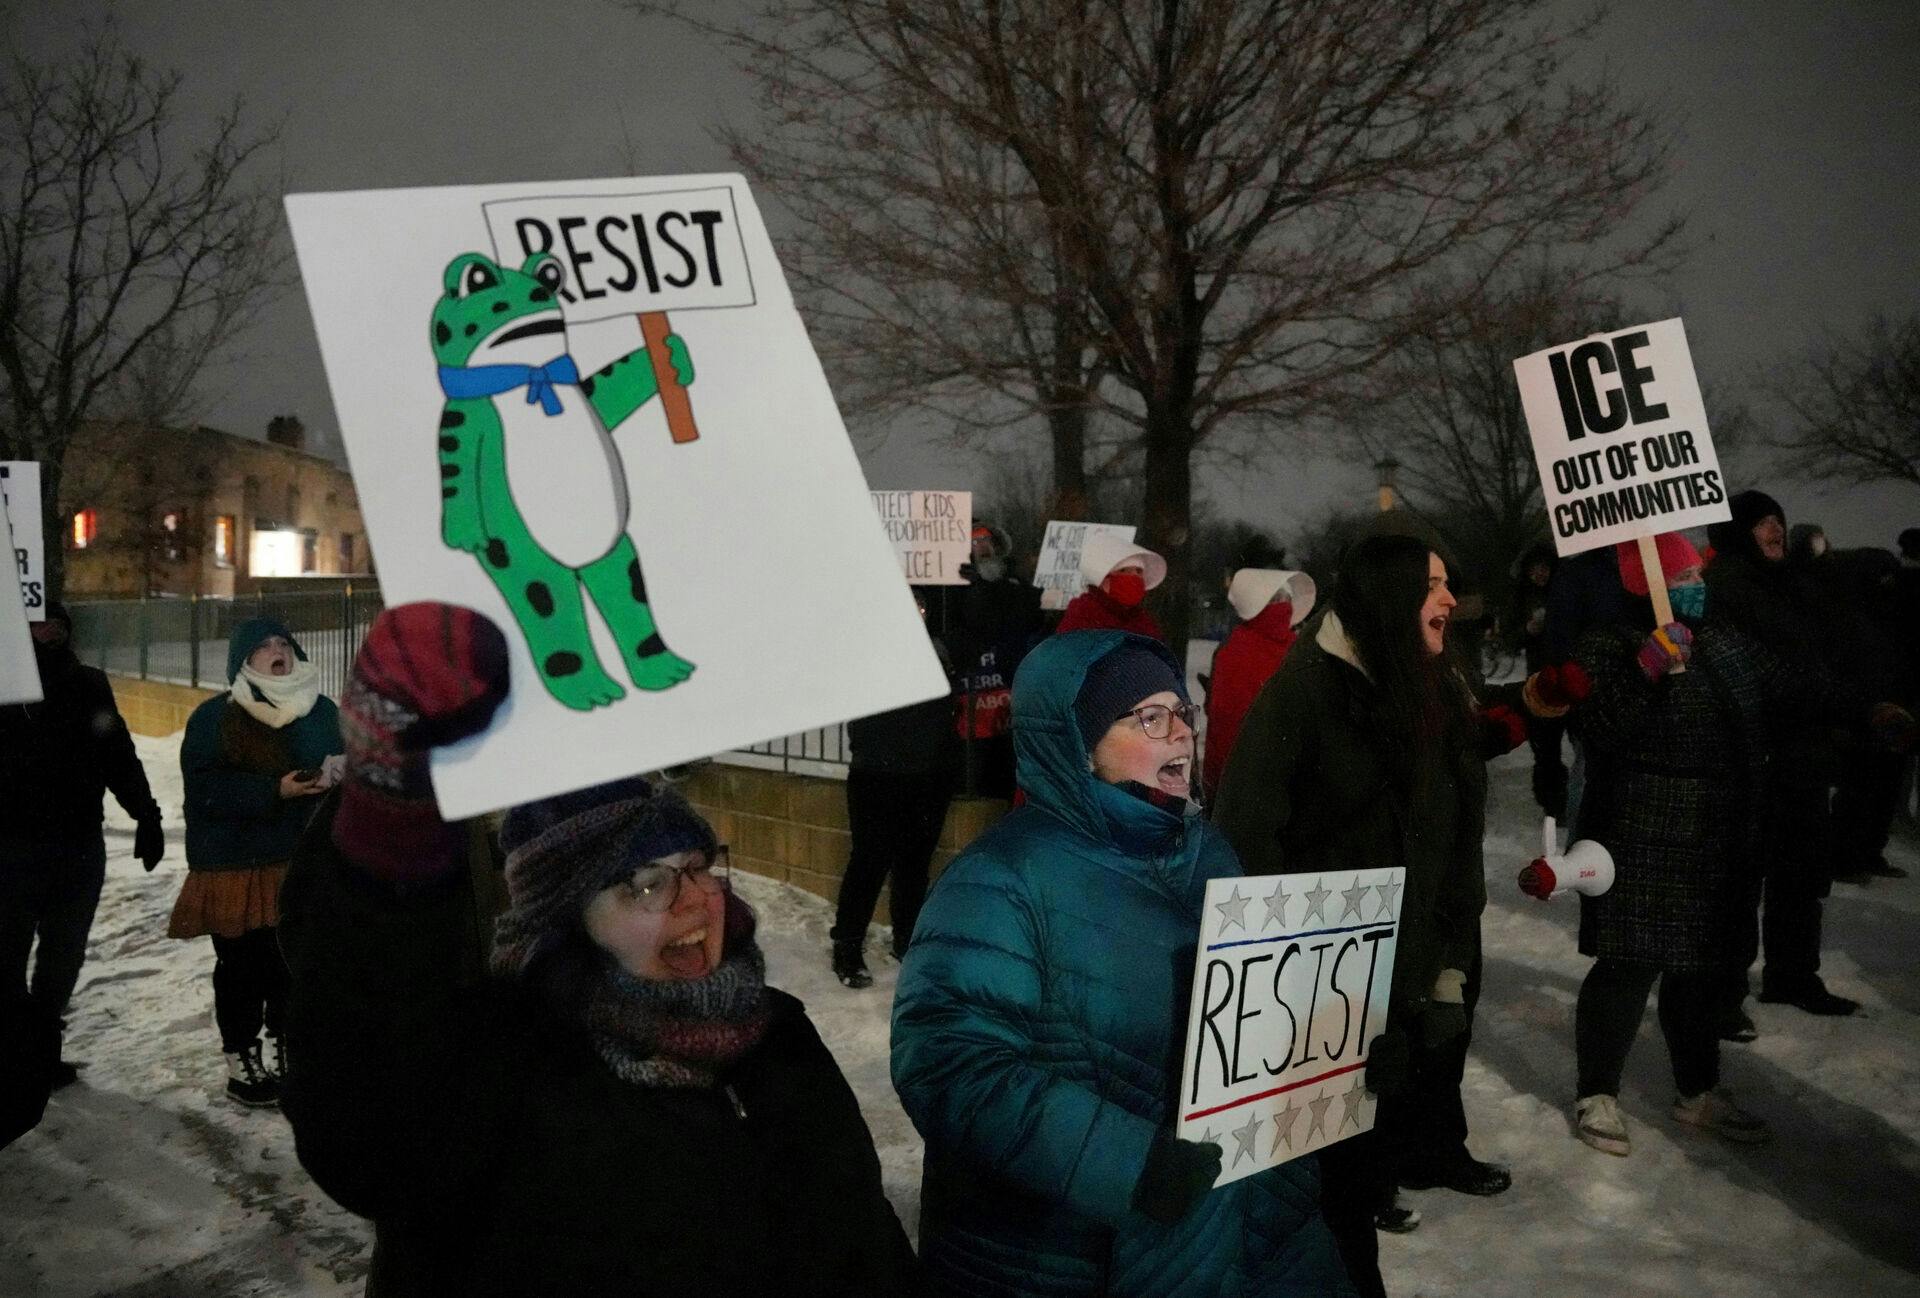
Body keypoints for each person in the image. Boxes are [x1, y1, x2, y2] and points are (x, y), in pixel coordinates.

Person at [278, 603, 916, 1296]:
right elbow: (366, 1132)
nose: (696, 898)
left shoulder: (776, 1035)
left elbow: (863, 1240)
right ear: (564, 925)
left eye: (699, 865)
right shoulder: (500, 1068)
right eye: (644, 885)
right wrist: (389, 829)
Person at [892, 630, 1351, 1297]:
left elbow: (1253, 1015)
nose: (1179, 734)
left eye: (1181, 712)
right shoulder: (1001, 879)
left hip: (1250, 1238)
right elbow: (948, 1065)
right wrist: (1125, 1160)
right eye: (1147, 717)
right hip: (1073, 1260)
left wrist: (1338, 1054)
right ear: (1076, 744)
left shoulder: (1211, 852)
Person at [1213, 534, 1500, 1298]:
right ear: (1388, 597)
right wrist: (1289, 981)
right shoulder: (1305, 688)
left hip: (1395, 1002)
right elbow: (1244, 839)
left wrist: (1444, 967)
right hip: (1311, 1011)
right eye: (1432, 586)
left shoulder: (1430, 686)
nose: (1448, 601)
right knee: (1323, 1216)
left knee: (1357, 1189)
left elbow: (1450, 835)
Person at [1566, 532, 1912, 1156]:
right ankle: (1598, 1092)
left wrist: (1868, 710)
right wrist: (1646, 669)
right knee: (1628, 966)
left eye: (1699, 572)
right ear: (1650, 584)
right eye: (1686, 575)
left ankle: (1699, 1089)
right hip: (1642, 827)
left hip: (1719, 830)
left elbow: (1799, 686)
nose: (1699, 584)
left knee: (1701, 972)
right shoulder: (1608, 644)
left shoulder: (1722, 640)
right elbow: (1599, 727)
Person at [170, 617, 342, 1107]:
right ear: (242, 661)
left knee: (294, 964)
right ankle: (241, 1056)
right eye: (262, 646)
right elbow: (204, 790)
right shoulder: (214, 718)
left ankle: (289, 1047)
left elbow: (351, 762)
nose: (276, 651)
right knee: (243, 967)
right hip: (235, 864)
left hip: (301, 860)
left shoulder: (323, 711)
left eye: (282, 642)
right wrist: (275, 789)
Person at [0, 601, 165, 1091]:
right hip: (10, 851)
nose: (44, 633)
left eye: (54, 625)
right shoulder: (3, 687)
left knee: (63, 956)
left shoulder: (87, 683)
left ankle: (41, 1049)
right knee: (6, 957)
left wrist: (147, 813)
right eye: (32, 624)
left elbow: (116, 752)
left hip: (77, 848)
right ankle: (13, 1054)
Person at [1705, 490, 1855, 1016]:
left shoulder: (1794, 585)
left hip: (1802, 754)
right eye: (1761, 523)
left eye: (1778, 521)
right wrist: (1808, 686)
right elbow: (1740, 665)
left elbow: (1829, 651)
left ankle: (1793, 975)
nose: (1773, 530)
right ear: (1738, 532)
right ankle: (1723, 996)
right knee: (1741, 882)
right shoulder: (1724, 585)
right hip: (1751, 755)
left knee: (1801, 873)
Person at [830, 593, 962, 987]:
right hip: (879, 773)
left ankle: (906, 938)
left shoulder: (937, 649)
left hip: (929, 772)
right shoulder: (866, 653)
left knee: (914, 862)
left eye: (919, 608)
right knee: (869, 861)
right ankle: (847, 947)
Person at [947, 521, 1045, 798]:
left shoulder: (1015, 584)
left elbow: (1030, 620)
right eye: (975, 543)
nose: (982, 548)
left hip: (1007, 695)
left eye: (986, 541)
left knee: (1004, 771)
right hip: (970, 699)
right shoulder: (954, 589)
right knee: (971, 776)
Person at [1201, 567, 1316, 797]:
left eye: (1286, 598)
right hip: (1250, 781)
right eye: (1276, 599)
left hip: (1287, 778)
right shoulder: (1235, 652)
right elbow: (1226, 725)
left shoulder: (1296, 647)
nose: (1284, 605)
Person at [1510, 543, 1568, 819]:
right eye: (1534, 569)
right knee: (1545, 748)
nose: (1539, 574)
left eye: (1544, 568)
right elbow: (1510, 637)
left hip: (1568, 673)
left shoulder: (1565, 592)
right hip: (1540, 679)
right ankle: (1552, 802)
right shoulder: (1522, 596)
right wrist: (1526, 630)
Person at [1055, 533, 1168, 639]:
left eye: (1139, 571)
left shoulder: (1143, 621)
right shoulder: (1083, 614)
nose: (1134, 577)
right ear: (1103, 579)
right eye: (1124, 570)